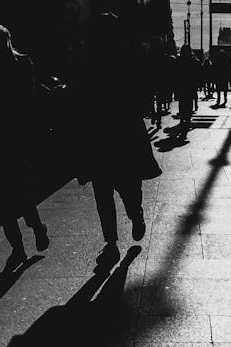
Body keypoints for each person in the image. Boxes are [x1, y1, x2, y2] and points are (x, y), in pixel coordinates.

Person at [74, 13, 161, 270]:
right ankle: (111, 242)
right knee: (109, 191)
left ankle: (134, 216)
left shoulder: (119, 61)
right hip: (118, 134)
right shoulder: (122, 61)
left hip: (109, 134)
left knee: (120, 189)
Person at [0, 23, 50, 271]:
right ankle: (35, 229)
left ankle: (19, 247)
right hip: (15, 136)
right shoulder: (22, 63)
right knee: (18, 190)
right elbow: (28, 98)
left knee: (4, 196)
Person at [176, 44, 199, 140]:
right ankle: (188, 118)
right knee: (189, 101)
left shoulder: (179, 61)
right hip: (190, 85)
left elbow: (176, 73)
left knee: (182, 102)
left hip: (181, 84)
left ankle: (182, 118)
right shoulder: (193, 61)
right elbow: (197, 73)